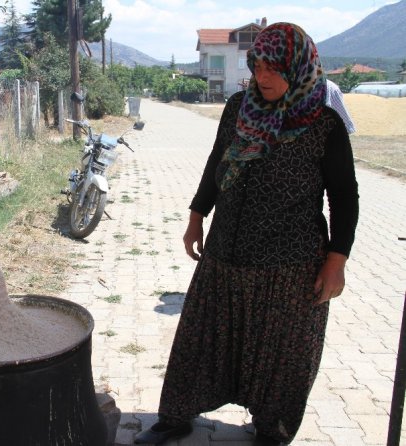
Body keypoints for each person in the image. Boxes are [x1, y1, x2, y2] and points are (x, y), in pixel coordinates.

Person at [135, 23, 359, 446]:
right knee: (199, 339)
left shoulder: (323, 123)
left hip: (290, 266)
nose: (263, 77)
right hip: (226, 253)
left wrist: (336, 261)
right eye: (258, 66)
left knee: (281, 358)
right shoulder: (239, 107)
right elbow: (218, 161)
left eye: (275, 69)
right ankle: (176, 416)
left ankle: (271, 429)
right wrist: (197, 215)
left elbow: (345, 196)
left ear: (298, 67)